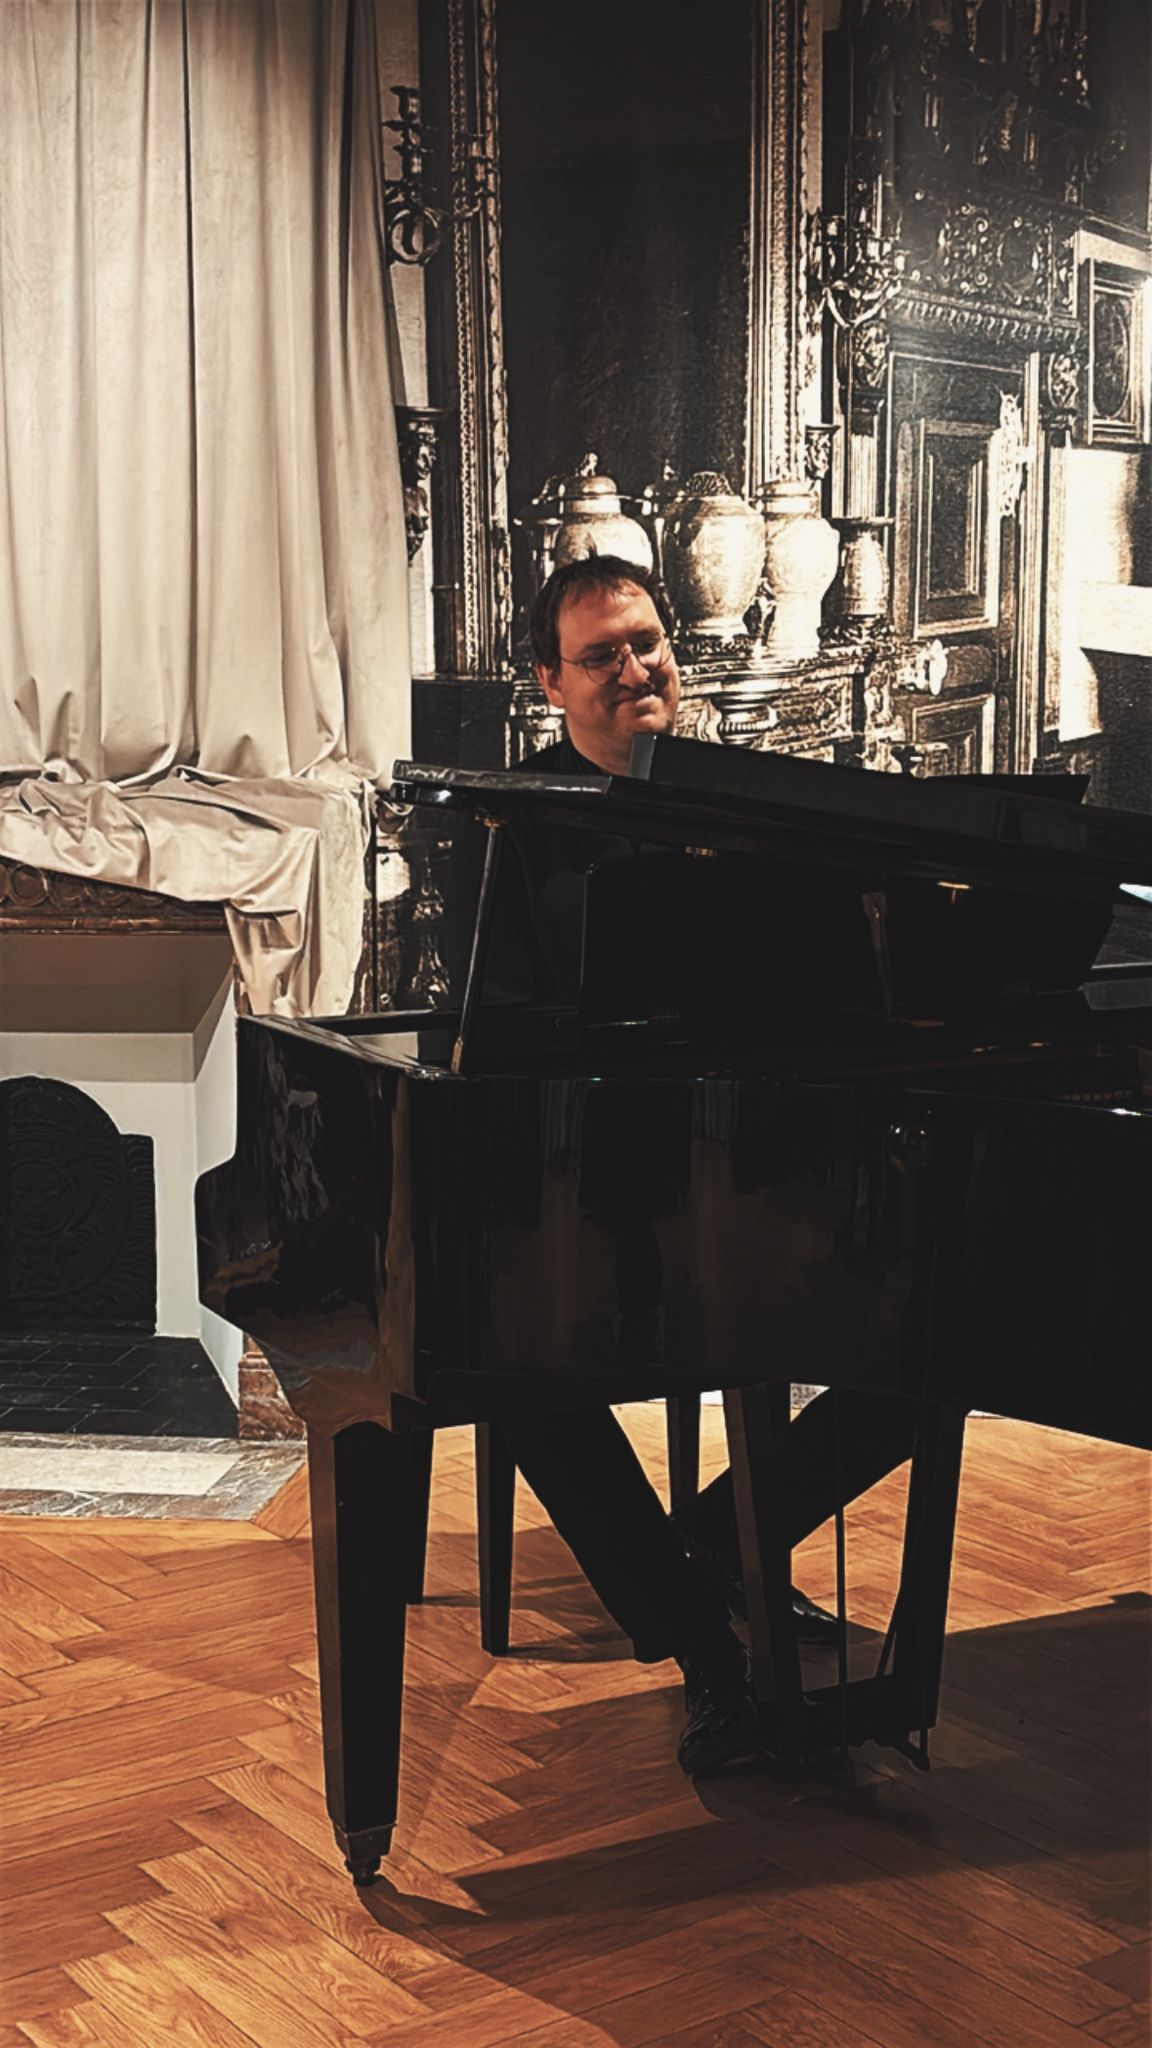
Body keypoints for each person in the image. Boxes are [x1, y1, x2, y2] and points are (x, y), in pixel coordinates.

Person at [447, 552, 916, 1778]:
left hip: (760, 1166)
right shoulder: (513, 824)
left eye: (646, 642)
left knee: (941, 1342)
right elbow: (498, 1039)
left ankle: (714, 1540)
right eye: (599, 654)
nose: (633, 668)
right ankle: (703, 1642)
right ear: (549, 681)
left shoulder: (742, 803)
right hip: (589, 1190)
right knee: (516, 1374)